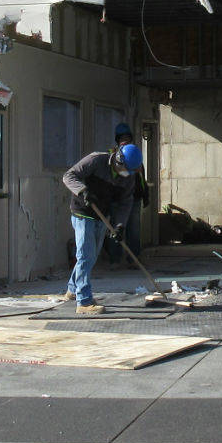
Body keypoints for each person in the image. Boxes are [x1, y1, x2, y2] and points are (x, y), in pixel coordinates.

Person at [60, 141, 141, 314]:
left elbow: (125, 203)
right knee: (85, 254)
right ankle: (83, 301)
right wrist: (82, 191)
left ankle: (72, 289)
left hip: (102, 215)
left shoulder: (128, 177)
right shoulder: (96, 160)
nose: (125, 175)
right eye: (124, 170)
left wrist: (120, 226)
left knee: (91, 256)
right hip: (82, 212)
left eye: (129, 172)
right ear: (117, 161)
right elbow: (69, 176)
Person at [106, 123, 149, 269]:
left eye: (127, 138)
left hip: (134, 198)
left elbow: (142, 178)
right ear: (117, 140)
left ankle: (133, 258)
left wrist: (146, 194)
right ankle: (115, 259)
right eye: (122, 138)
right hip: (117, 199)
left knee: (134, 230)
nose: (124, 140)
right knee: (116, 229)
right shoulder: (115, 157)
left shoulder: (134, 156)